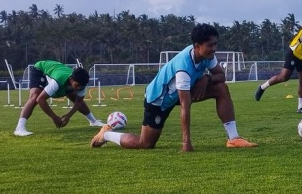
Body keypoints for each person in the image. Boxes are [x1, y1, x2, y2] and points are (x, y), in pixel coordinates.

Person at [91, 24, 257, 151]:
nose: (214, 49)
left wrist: (206, 78)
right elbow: (185, 105)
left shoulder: (208, 56)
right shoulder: (183, 67)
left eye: (215, 44)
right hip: (159, 100)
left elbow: (221, 76)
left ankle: (233, 138)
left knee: (221, 88)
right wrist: (186, 142)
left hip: (182, 92)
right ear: (197, 46)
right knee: (145, 144)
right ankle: (106, 133)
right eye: (210, 45)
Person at [13, 60, 104, 136]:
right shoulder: (58, 81)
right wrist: (54, 117)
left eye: (81, 86)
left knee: (74, 96)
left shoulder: (81, 84)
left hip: (58, 73)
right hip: (41, 69)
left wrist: (68, 116)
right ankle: (19, 128)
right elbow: (40, 100)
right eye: (77, 85)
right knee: (35, 96)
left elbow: (79, 102)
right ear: (71, 80)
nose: (79, 88)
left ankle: (93, 121)